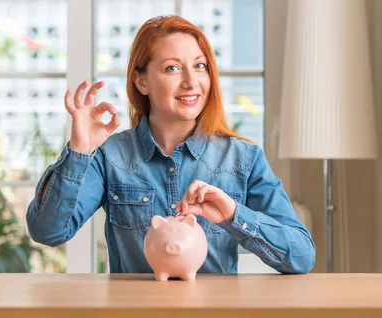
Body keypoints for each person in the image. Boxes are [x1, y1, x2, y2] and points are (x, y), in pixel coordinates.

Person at [26, 15, 315, 274]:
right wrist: (79, 150)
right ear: (141, 82)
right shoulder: (111, 156)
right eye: (172, 68)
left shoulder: (243, 158)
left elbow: (301, 256)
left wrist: (233, 214)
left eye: (200, 66)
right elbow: (48, 232)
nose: (191, 82)